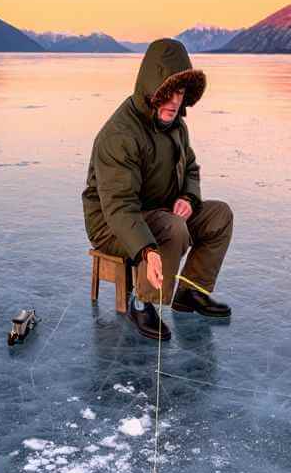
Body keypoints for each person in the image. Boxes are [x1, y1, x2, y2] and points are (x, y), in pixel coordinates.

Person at [82, 38, 233, 341]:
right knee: (173, 228)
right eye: (167, 92)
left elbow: (190, 168)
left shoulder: (177, 126)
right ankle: (143, 302)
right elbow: (119, 207)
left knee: (219, 216)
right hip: (112, 224)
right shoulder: (121, 135)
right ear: (151, 89)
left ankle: (190, 292)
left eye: (180, 91)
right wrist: (147, 250)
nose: (175, 100)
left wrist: (188, 197)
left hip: (159, 210)